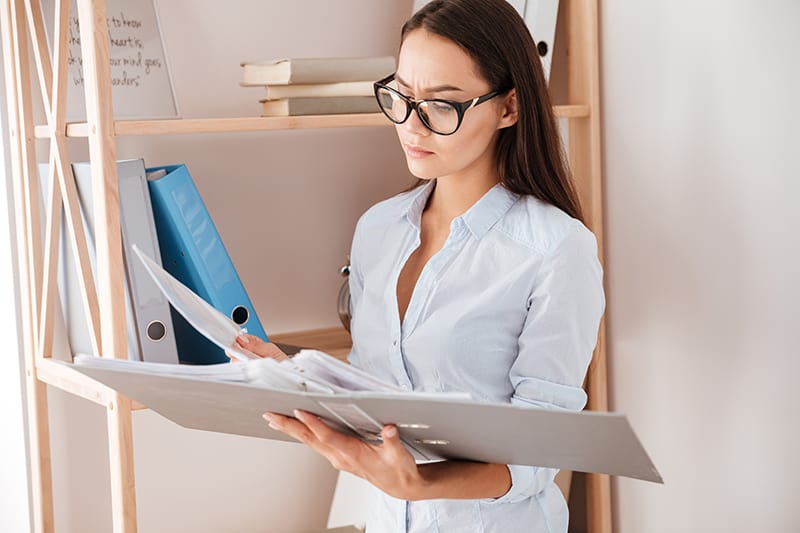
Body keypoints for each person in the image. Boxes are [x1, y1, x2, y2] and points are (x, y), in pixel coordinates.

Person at [235, 0, 605, 531]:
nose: (412, 124)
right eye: (401, 96)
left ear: (509, 108)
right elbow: (370, 390)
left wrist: (420, 483)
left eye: (442, 104)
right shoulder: (379, 230)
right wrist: (291, 376)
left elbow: (541, 449)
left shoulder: (555, 249)